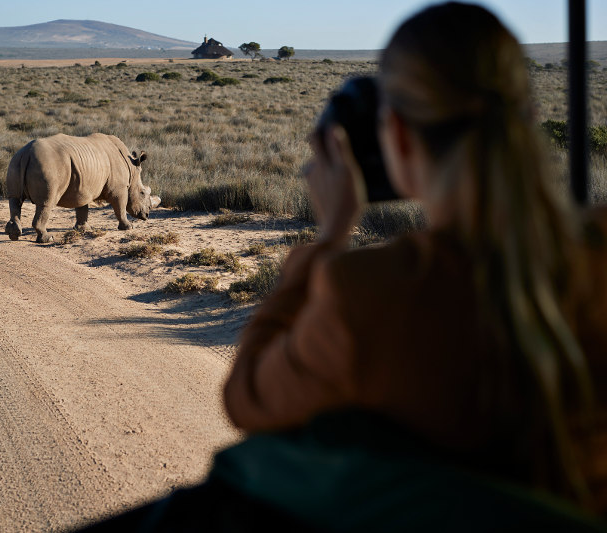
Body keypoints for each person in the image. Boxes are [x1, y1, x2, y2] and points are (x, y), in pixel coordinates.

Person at [224, 0, 607, 517]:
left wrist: (330, 234)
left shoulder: (371, 291)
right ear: (530, 117)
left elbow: (249, 399)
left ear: (399, 134)